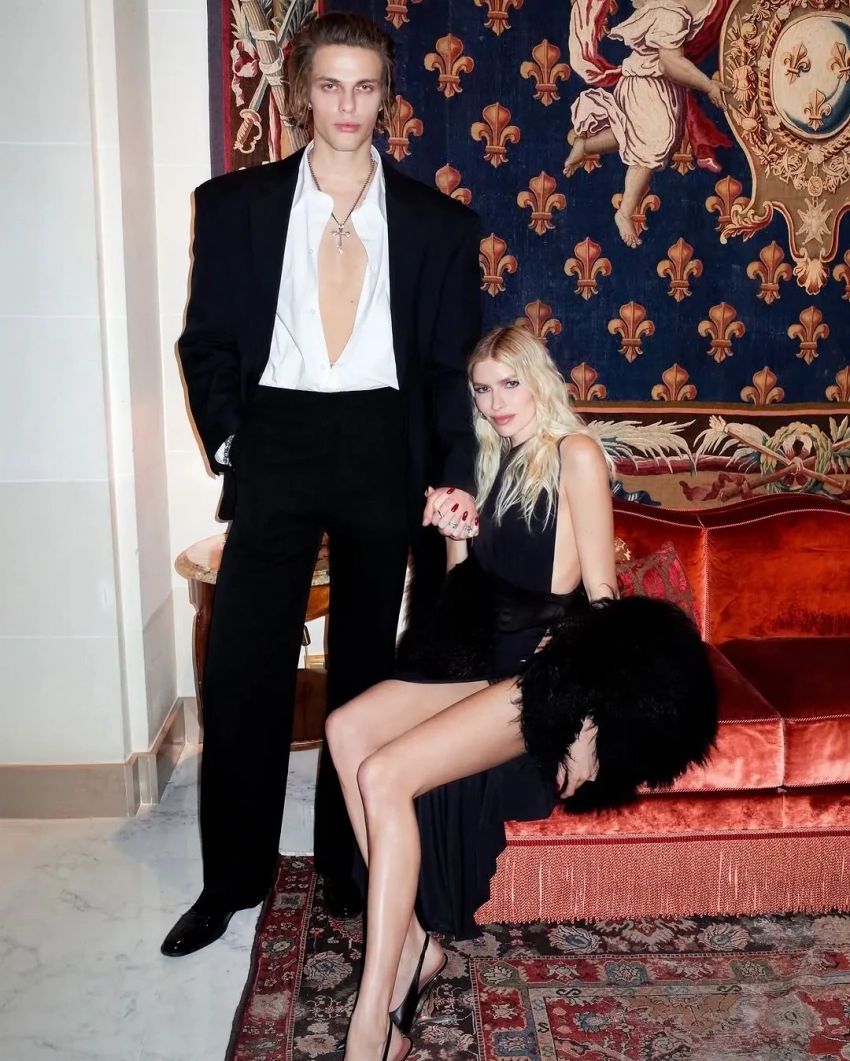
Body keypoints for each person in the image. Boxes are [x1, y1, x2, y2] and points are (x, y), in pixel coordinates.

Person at [162, 13, 483, 958]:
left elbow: (448, 369)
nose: (349, 105)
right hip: (278, 438)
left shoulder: (438, 225)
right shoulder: (234, 205)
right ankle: (232, 879)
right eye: (332, 85)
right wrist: (235, 443)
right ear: (303, 91)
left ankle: (349, 869)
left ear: (387, 95)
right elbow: (206, 341)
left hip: (383, 441)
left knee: (367, 670)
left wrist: (451, 477)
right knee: (244, 668)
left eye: (367, 86)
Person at [325, 325, 718, 1061]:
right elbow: (465, 596)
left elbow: (603, 599)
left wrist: (587, 728)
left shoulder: (576, 454)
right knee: (346, 729)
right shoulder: (488, 458)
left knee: (384, 774)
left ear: (539, 379)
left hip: (545, 673)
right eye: (483, 389)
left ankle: (372, 1019)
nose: (496, 401)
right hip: (482, 661)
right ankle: (413, 943)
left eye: (510, 383)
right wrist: (454, 531)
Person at [564, 0, 732, 247]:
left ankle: (586, 146)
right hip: (648, 85)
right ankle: (624, 212)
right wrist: (708, 86)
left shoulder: (673, 10)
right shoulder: (671, 15)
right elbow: (670, 63)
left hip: (652, 83)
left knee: (634, 134)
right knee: (652, 146)